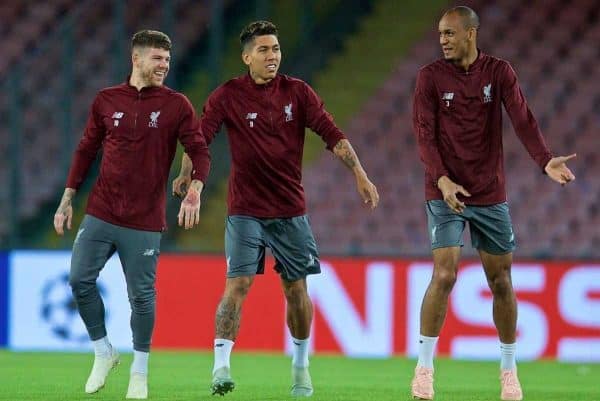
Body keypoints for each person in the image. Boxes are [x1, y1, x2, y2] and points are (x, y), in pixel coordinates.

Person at [173, 20, 379, 397]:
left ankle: (300, 368)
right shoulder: (228, 95)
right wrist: (189, 177)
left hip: (289, 211)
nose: (273, 56)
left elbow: (332, 134)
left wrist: (360, 174)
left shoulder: (298, 93)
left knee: (296, 290)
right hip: (245, 210)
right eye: (264, 50)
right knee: (237, 284)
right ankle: (220, 367)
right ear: (247, 56)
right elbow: (201, 138)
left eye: (277, 49)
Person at [411, 6, 576, 401]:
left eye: (450, 33)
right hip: (444, 191)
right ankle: (424, 369)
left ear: (471, 34)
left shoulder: (499, 72)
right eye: (440, 34)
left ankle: (508, 371)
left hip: (489, 193)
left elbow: (522, 117)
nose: (443, 40)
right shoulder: (430, 78)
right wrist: (442, 178)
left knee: (501, 281)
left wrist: (544, 159)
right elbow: (423, 135)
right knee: (445, 274)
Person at [53, 30, 210, 400]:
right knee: (79, 279)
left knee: (141, 296)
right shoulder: (107, 100)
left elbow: (200, 151)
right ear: (136, 59)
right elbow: (86, 149)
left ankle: (139, 374)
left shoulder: (177, 105)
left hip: (144, 219)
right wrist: (67, 198)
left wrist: (195, 189)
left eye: (167, 60)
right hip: (102, 211)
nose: (164, 65)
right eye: (157, 58)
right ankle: (103, 351)